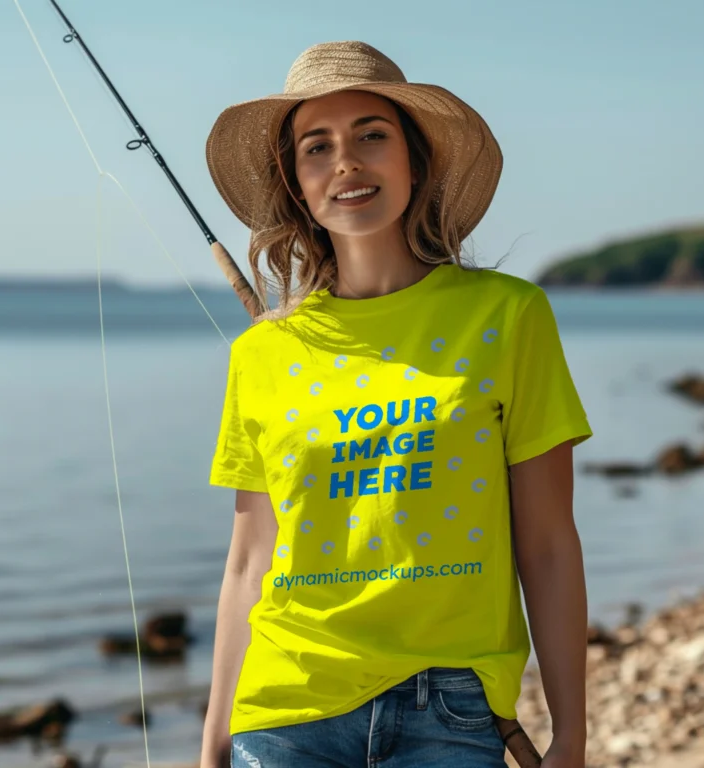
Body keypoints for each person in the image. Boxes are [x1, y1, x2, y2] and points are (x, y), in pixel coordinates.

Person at [200, 41, 593, 768]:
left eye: (371, 135)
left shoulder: (507, 318)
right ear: (298, 184)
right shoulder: (260, 353)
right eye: (317, 147)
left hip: (450, 708)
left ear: (416, 159)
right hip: (285, 708)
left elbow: (547, 543)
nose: (346, 162)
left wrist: (571, 732)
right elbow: (249, 564)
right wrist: (213, 742)